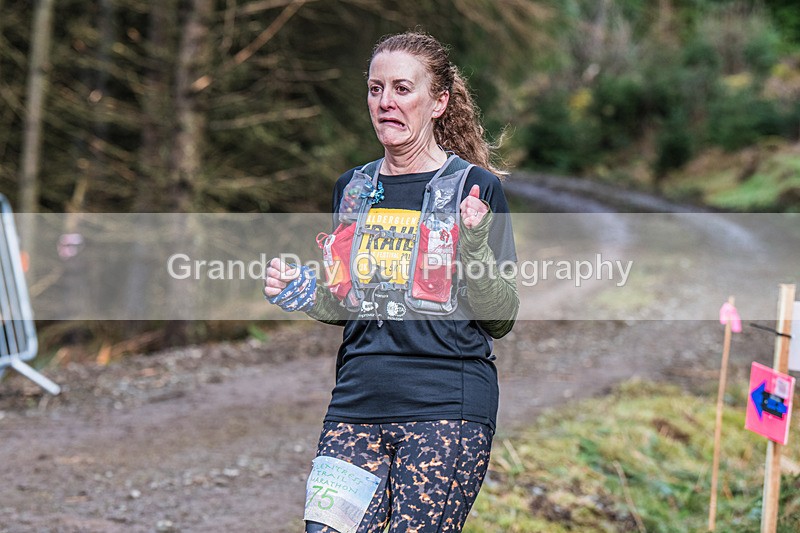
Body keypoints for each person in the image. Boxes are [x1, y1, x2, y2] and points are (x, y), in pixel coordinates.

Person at [263, 31, 519, 533]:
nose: (385, 102)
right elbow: (348, 303)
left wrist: (472, 241)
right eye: (375, 89)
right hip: (356, 401)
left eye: (402, 89)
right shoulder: (354, 189)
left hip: (446, 406)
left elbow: (501, 316)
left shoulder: (473, 188)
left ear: (438, 101)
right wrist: (305, 292)